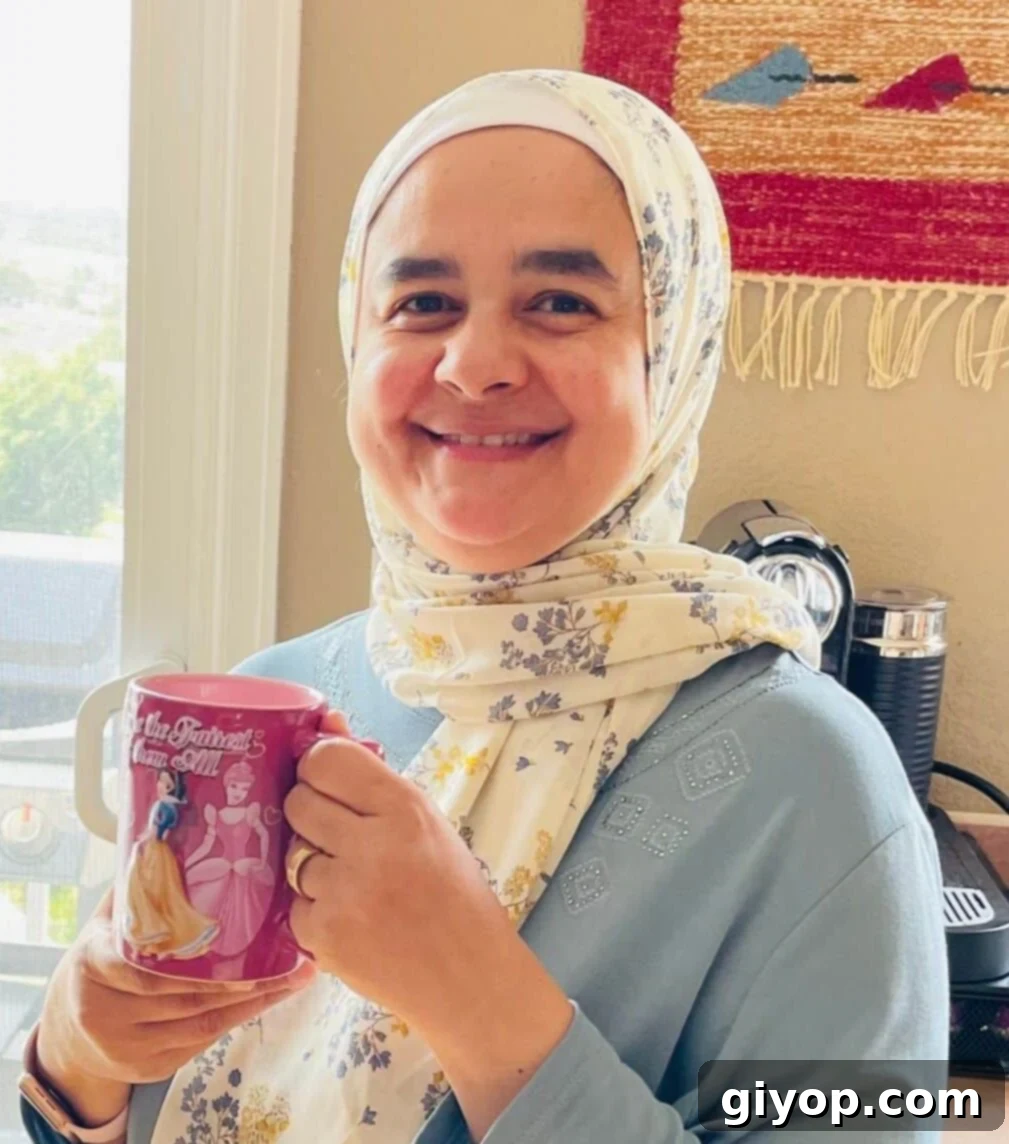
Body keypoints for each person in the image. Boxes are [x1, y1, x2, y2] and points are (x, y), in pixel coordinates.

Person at [22, 69, 947, 1144]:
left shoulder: (821, 785)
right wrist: (76, 1060)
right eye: (421, 303)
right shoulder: (271, 696)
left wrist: (483, 1007)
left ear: (673, 350)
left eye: (561, 301)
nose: (473, 364)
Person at [121, 768, 219, 961]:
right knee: (153, 890)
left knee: (152, 889)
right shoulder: (165, 805)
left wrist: (148, 838)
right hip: (156, 849)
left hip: (155, 849)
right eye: (160, 782)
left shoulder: (164, 806)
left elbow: (159, 828)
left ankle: (155, 931)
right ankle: (152, 936)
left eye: (166, 785)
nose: (160, 787)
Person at [184, 760, 277, 959]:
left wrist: (261, 861)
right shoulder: (216, 814)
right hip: (223, 864)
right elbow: (206, 846)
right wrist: (188, 863)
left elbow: (264, 834)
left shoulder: (249, 813)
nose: (238, 792)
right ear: (226, 785)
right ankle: (205, 932)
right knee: (205, 876)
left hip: (244, 865)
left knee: (240, 875)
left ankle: (238, 943)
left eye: (244, 789)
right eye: (234, 786)